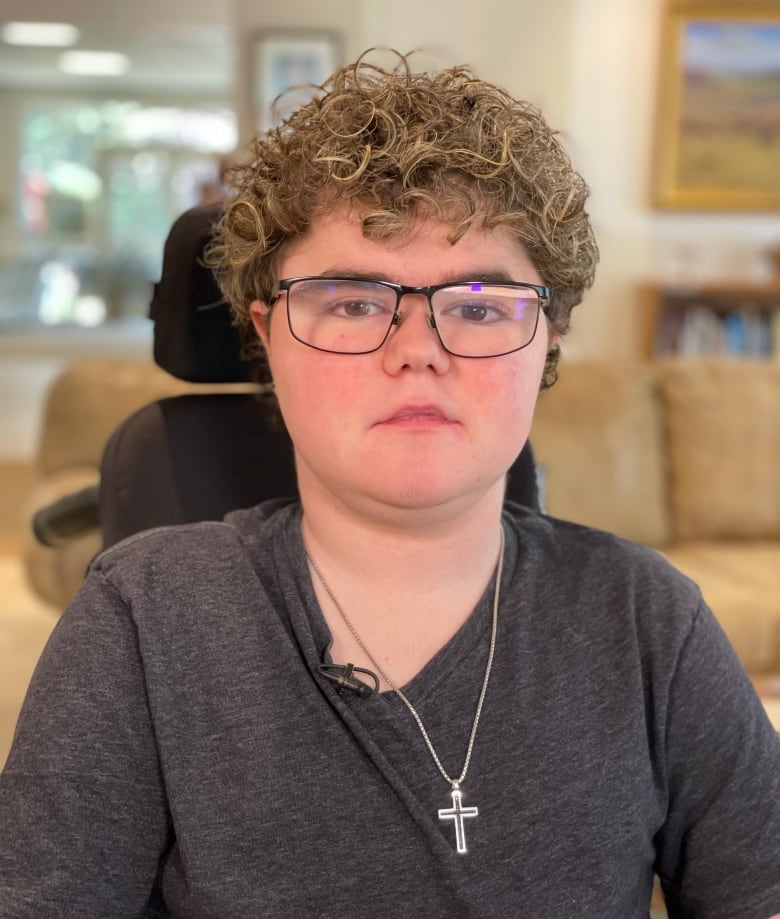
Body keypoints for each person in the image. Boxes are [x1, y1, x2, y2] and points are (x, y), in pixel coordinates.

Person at [1, 50, 778, 919]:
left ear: (546, 341)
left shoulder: (649, 621)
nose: (419, 348)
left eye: (480, 304)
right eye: (355, 300)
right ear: (267, 338)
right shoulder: (143, 618)